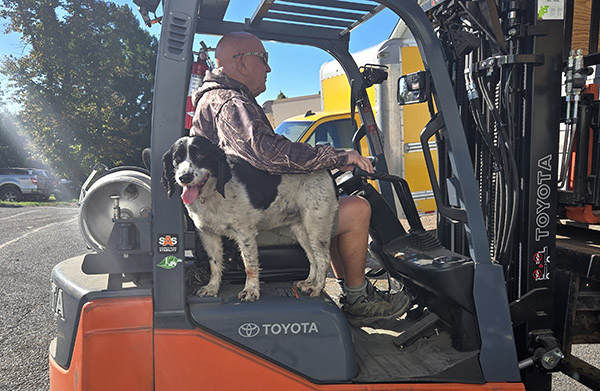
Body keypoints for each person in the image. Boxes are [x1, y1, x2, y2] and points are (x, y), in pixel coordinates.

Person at [190, 32, 411, 326]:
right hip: (246, 223)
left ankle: (347, 288)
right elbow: (268, 154)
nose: (268, 69)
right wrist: (339, 156)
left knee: (332, 205)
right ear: (242, 64)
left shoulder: (220, 99)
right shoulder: (229, 103)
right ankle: (358, 300)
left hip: (242, 211)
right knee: (358, 210)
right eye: (264, 60)